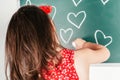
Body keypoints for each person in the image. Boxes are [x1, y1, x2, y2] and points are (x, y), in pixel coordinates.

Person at [5, 5, 110, 80]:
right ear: (51, 26)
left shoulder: (25, 73)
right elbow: (105, 53)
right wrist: (84, 45)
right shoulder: (77, 58)